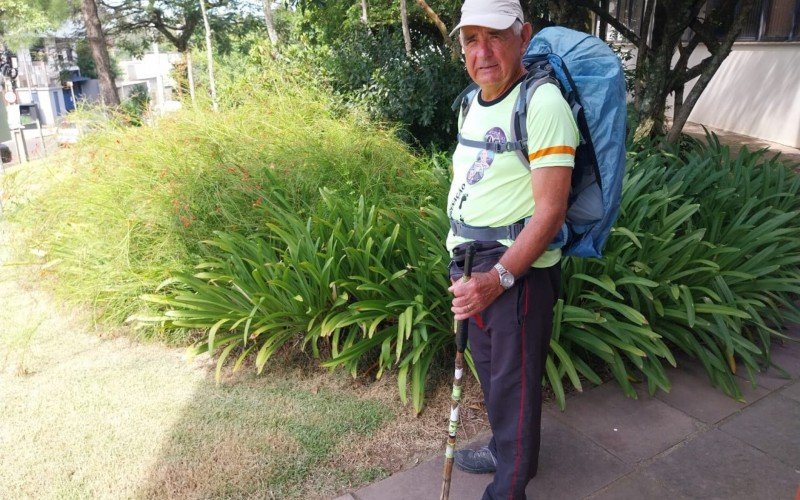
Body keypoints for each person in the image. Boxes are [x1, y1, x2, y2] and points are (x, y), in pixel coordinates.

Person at [446, 0, 579, 498]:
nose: (482, 52)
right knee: (497, 378)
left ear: (524, 35)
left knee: (515, 385)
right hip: (470, 265)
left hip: (512, 274)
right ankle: (507, 452)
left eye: (495, 36)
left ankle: (509, 487)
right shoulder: (473, 100)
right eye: (470, 39)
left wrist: (497, 278)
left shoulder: (543, 104)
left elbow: (550, 212)